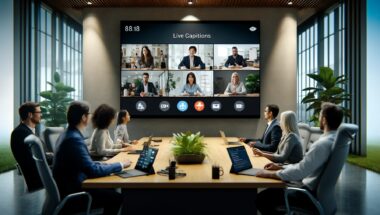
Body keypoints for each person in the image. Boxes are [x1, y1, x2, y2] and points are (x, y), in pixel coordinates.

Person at [255, 102, 344, 215]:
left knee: (262, 199)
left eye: (320, 116)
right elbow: (302, 166)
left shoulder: (322, 144)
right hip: (317, 195)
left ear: (324, 120)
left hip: (306, 194)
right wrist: (280, 167)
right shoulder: (334, 141)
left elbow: (300, 170)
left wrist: (270, 174)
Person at [53, 101, 131, 215]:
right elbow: (92, 170)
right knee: (116, 198)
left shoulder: (67, 134)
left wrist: (111, 165)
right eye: (88, 114)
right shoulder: (74, 139)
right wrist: (120, 165)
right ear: (84, 117)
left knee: (111, 189)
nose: (90, 117)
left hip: (70, 185)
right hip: (75, 192)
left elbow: (88, 164)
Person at [10, 102, 48, 192]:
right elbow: (35, 160)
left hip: (43, 174)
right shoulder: (20, 133)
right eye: (39, 112)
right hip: (39, 178)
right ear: (30, 115)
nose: (41, 115)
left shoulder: (29, 131)